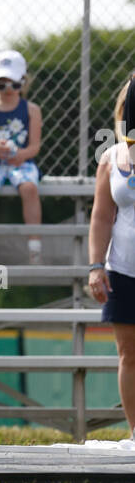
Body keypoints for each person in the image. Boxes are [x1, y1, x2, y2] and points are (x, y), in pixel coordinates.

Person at [87, 76, 135, 439]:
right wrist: (95, 266)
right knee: (128, 355)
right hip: (123, 270)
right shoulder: (111, 157)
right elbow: (101, 217)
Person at [0, 50, 43, 266]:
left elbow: (34, 146)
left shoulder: (31, 109)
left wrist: (21, 154)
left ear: (23, 81)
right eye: (1, 85)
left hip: (20, 162)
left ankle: (35, 248)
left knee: (29, 188)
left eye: (14, 84)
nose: (8, 90)